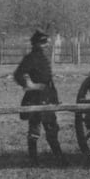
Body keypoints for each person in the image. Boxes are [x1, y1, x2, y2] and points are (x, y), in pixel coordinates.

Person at [13, 30, 65, 165]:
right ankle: (33, 159)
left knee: (51, 128)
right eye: (44, 43)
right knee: (35, 129)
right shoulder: (31, 58)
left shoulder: (41, 57)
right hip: (36, 97)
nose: (47, 46)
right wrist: (30, 85)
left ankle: (59, 158)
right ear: (38, 44)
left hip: (47, 95)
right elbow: (18, 75)